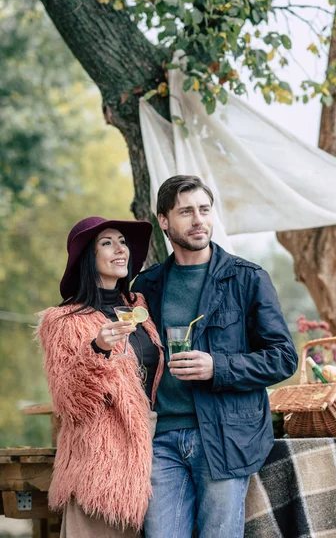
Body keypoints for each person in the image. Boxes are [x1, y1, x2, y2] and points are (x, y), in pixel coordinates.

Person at [132, 175, 298, 538]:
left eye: (204, 210)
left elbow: (284, 357)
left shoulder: (247, 278)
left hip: (223, 438)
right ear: (163, 220)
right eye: (186, 211)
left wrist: (216, 366)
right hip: (161, 439)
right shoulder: (146, 286)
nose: (198, 220)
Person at [36, 216, 164, 537]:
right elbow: (69, 400)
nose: (119, 248)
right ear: (87, 260)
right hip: (101, 463)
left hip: (155, 448)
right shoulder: (63, 320)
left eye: (122, 241)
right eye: (106, 243)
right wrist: (97, 348)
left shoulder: (137, 306)